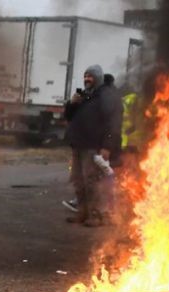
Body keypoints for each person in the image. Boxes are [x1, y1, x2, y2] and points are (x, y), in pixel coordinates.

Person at [62, 64, 122, 227]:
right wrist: (72, 104)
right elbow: (69, 117)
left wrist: (107, 146)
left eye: (90, 76)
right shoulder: (85, 96)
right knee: (78, 180)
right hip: (78, 145)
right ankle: (83, 213)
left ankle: (96, 216)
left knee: (92, 182)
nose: (86, 79)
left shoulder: (105, 96)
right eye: (85, 76)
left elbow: (114, 123)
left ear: (98, 78)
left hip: (93, 146)